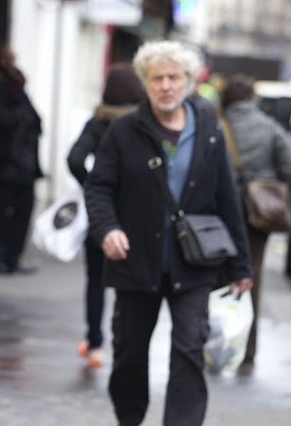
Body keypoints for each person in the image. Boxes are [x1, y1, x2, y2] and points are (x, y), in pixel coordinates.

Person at [84, 40, 253, 426]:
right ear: (145, 82)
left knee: (190, 349)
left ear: (189, 82)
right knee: (129, 354)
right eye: (157, 78)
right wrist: (107, 228)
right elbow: (98, 187)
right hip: (135, 262)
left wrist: (241, 265)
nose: (166, 86)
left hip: (193, 263)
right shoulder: (124, 130)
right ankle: (129, 418)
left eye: (174, 77)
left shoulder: (209, 131)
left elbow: (227, 198)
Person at [66, 62, 145, 368]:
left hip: (101, 214)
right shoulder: (144, 122)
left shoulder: (98, 121)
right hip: (138, 214)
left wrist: (91, 185)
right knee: (133, 283)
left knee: (96, 280)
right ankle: (126, 344)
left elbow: (74, 158)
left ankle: (95, 343)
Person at [220, 73, 291, 365]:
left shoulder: (216, 125)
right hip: (257, 215)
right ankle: (248, 349)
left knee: (217, 276)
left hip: (219, 213)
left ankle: (217, 341)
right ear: (252, 98)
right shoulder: (270, 128)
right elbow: (288, 168)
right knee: (252, 276)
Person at [0, 45, 43, 274]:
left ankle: (12, 258)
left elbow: (31, 118)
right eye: (7, 58)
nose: (11, 61)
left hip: (24, 162)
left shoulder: (17, 83)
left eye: (13, 57)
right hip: (2, 161)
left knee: (23, 209)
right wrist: (20, 119)